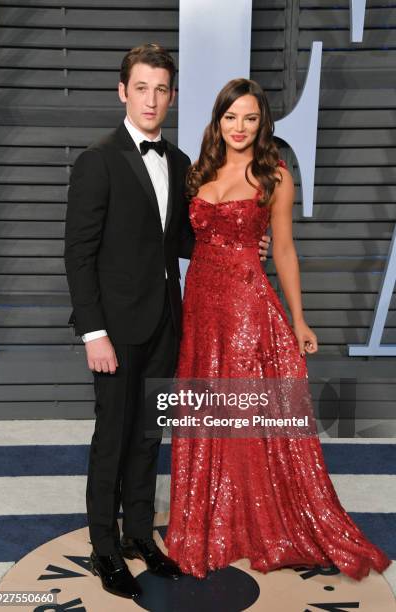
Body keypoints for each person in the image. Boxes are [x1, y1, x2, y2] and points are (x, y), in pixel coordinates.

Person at [164, 78, 392, 581]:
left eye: (250, 118)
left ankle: (252, 520)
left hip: (246, 306)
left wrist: (299, 317)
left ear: (262, 122)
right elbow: (184, 238)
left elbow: (284, 249)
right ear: (217, 120)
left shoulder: (275, 175)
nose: (240, 127)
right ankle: (213, 518)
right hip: (201, 308)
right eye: (231, 117)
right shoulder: (196, 171)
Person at [64, 45, 271, 599]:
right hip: (114, 330)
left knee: (149, 436)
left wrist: (245, 240)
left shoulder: (179, 162)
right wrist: (93, 332)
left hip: (166, 326)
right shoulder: (98, 158)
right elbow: (78, 254)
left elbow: (182, 240)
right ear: (122, 91)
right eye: (141, 88)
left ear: (172, 96)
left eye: (161, 90)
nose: (151, 99)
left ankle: (139, 537)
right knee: (113, 436)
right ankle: (104, 550)